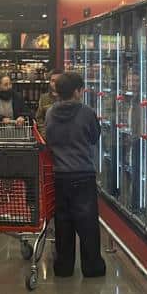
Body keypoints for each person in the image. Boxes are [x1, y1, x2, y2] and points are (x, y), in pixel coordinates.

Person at [44, 71, 105, 278]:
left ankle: (63, 267)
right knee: (87, 223)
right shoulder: (86, 112)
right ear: (78, 91)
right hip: (83, 173)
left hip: (59, 175)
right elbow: (94, 137)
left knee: (63, 222)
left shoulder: (50, 112)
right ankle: (92, 267)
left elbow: (48, 138)